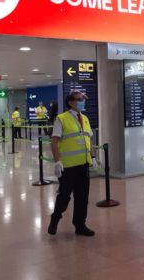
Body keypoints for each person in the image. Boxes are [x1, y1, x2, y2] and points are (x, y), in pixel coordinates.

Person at [47, 91, 95, 236]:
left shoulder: (85, 118)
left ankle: (80, 225)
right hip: (68, 166)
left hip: (83, 165)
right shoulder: (61, 119)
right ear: (71, 102)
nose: (82, 102)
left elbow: (89, 139)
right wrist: (57, 162)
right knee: (64, 196)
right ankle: (55, 218)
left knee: (82, 197)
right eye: (79, 100)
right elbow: (54, 141)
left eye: (83, 100)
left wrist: (93, 157)